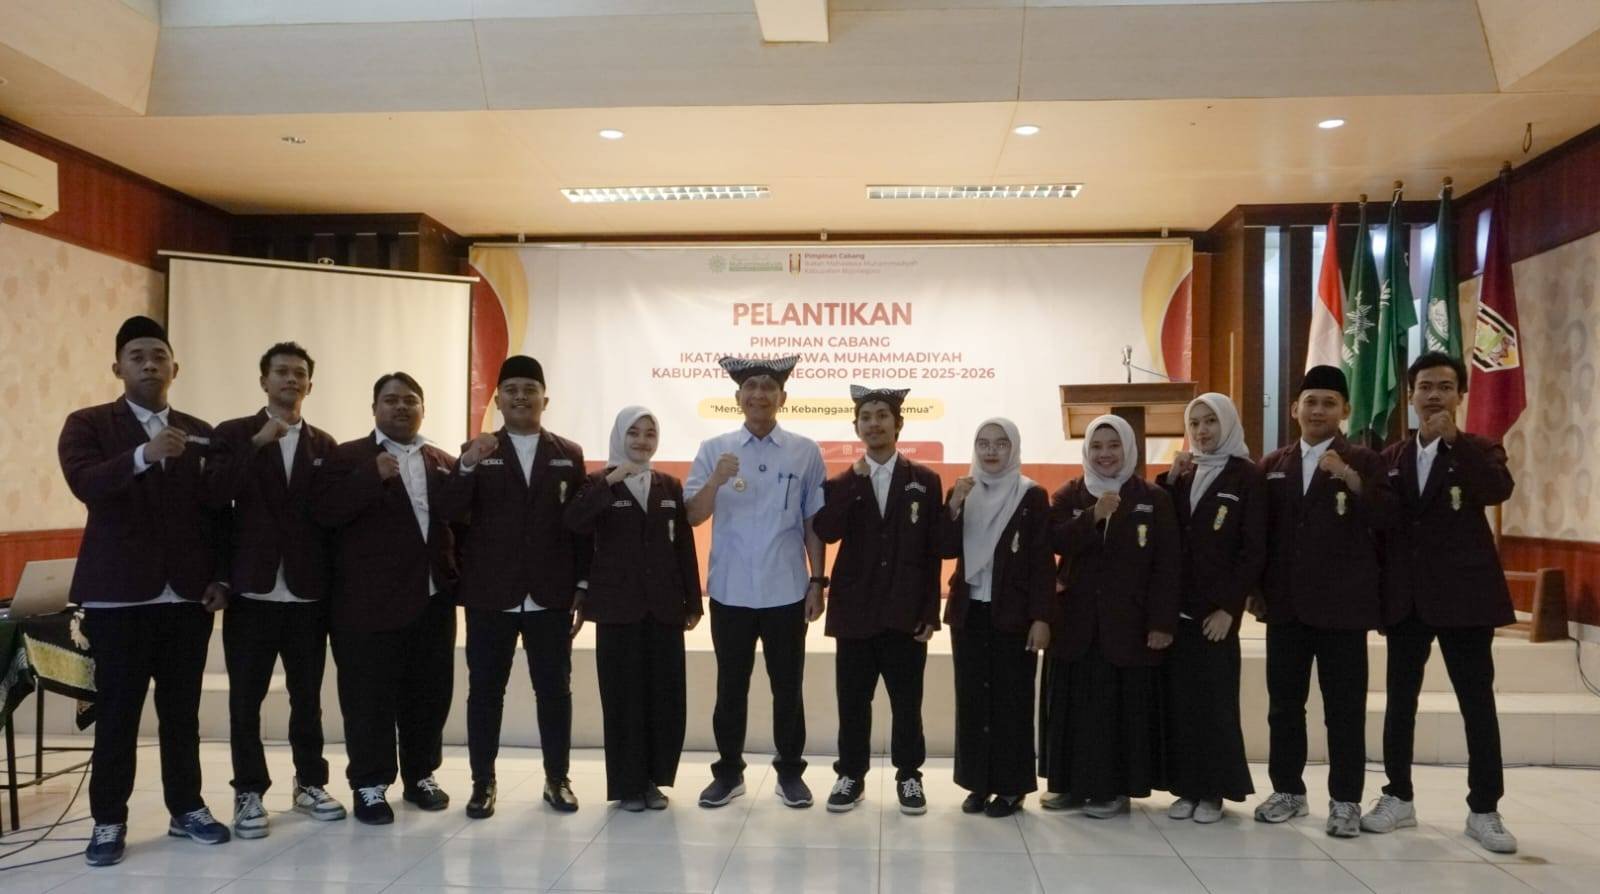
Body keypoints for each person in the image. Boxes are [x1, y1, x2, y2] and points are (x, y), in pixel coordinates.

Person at [58, 315, 231, 866]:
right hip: (119, 598)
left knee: (182, 714)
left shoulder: (200, 430)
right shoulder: (88, 423)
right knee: (118, 715)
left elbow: (217, 512)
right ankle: (108, 820)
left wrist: (221, 576)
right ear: (117, 367)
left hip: (186, 599)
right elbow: (85, 483)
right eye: (137, 356)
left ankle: (188, 808)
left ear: (176, 367)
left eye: (159, 355)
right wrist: (143, 455)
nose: (149, 364)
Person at [1361, 352, 1519, 854]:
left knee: (1477, 703)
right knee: (1399, 702)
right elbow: (1382, 523)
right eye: (1425, 386)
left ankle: (1484, 808)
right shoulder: (1391, 457)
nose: (1434, 396)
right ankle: (1397, 796)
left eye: (1445, 387)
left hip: (1464, 599)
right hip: (1407, 600)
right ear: (1411, 395)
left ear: (1459, 396)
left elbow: (1496, 490)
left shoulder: (1480, 448)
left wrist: (1455, 443)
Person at [208, 342, 346, 839]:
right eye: (281, 372)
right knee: (246, 700)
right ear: (263, 381)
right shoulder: (234, 434)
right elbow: (213, 496)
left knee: (307, 698)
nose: (291, 379)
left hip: (307, 594)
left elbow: (331, 519)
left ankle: (310, 783)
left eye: (299, 373)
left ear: (310, 384)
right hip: (252, 592)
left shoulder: (325, 445)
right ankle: (248, 791)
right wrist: (257, 443)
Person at [1253, 364, 1394, 838]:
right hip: (1285, 608)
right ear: (1294, 408)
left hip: (1343, 610)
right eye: (1310, 402)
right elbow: (1259, 537)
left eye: (1329, 403)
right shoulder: (1272, 465)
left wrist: (1350, 478)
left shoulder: (1366, 461)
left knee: (1344, 710)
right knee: (1284, 707)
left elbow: (1387, 519)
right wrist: (1256, 591)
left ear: (1345, 410)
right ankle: (1287, 791)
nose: (1318, 410)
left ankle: (1346, 800)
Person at [446, 356, 589, 818]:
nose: (521, 397)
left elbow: (579, 525)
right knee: (486, 693)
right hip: (491, 593)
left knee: (555, 692)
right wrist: (466, 464)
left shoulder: (568, 452)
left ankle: (557, 780)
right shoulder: (478, 449)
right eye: (511, 389)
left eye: (530, 389)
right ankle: (482, 783)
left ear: (545, 399)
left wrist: (581, 584)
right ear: (498, 399)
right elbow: (451, 512)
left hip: (551, 593)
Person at [313, 372, 459, 824]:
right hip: (367, 604)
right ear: (374, 408)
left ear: (423, 409)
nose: (401, 407)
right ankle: (370, 784)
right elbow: (325, 513)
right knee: (368, 698)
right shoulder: (347, 457)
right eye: (391, 400)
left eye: (410, 400)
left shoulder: (442, 461)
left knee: (429, 694)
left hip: (431, 600)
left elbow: (461, 524)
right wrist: (368, 477)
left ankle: (421, 775)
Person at [685, 356, 827, 809]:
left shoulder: (805, 451)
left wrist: (817, 581)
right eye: (751, 386)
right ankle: (728, 773)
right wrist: (715, 480)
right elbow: (693, 515)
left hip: (786, 589)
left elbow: (813, 521)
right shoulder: (715, 448)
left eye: (768, 387)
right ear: (738, 397)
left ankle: (790, 772)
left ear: (782, 397)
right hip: (731, 590)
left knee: (788, 687)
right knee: (731, 687)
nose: (759, 394)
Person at [812, 386, 943, 815]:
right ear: (856, 427)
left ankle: (909, 776)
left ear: (898, 423)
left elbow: (932, 551)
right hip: (855, 612)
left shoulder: (925, 480)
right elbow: (827, 531)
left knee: (907, 703)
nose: (874, 423)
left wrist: (930, 612)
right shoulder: (842, 482)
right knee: (853, 702)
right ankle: (851, 775)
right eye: (866, 417)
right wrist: (854, 482)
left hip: (906, 612)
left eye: (882, 415)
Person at [1040, 414, 1178, 818]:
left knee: (1117, 711)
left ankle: (1113, 790)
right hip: (1075, 625)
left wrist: (1162, 623)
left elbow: (1167, 565)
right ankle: (1069, 785)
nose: (1105, 454)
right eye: (1097, 446)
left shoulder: (1152, 498)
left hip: (1127, 625)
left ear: (1128, 449)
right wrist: (1093, 515)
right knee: (1073, 708)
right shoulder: (1069, 494)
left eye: (1113, 445)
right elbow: (1053, 540)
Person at [565, 407, 702, 811]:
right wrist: (611, 480)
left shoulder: (668, 485)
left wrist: (693, 601)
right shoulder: (597, 483)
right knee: (623, 698)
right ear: (619, 437)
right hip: (617, 609)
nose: (642, 441)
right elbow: (574, 522)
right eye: (634, 433)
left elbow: (683, 546)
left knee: (664, 697)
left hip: (664, 609)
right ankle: (628, 785)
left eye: (649, 434)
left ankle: (653, 781)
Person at [1155, 393, 1264, 824]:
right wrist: (1169, 480)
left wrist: (1229, 609)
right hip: (1178, 610)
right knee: (1181, 702)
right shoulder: (1184, 473)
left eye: (1211, 422)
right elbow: (1165, 534)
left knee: (1214, 704)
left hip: (1215, 614)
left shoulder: (1247, 475)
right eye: (1195, 423)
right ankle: (1186, 787)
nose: (1202, 431)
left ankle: (1214, 791)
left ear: (1228, 424)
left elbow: (1253, 550)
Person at [940, 418, 1053, 818]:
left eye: (1000, 444)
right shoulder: (963, 489)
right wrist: (954, 506)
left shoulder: (1031, 495)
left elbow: (1042, 562)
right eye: (983, 443)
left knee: (1012, 701)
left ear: (1014, 448)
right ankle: (977, 783)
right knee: (972, 700)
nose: (991, 451)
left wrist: (1042, 618)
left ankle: (1010, 787)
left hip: (1014, 614)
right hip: (969, 612)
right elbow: (943, 548)